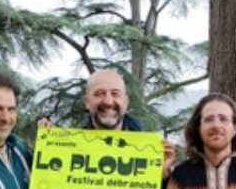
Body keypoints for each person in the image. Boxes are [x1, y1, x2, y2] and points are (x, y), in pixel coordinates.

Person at [39, 69, 175, 178]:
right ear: (86, 102)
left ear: (126, 102)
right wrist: (49, 148)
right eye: (99, 94)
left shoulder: (147, 153)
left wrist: (163, 176)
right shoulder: (67, 151)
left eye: (115, 94)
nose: (108, 102)